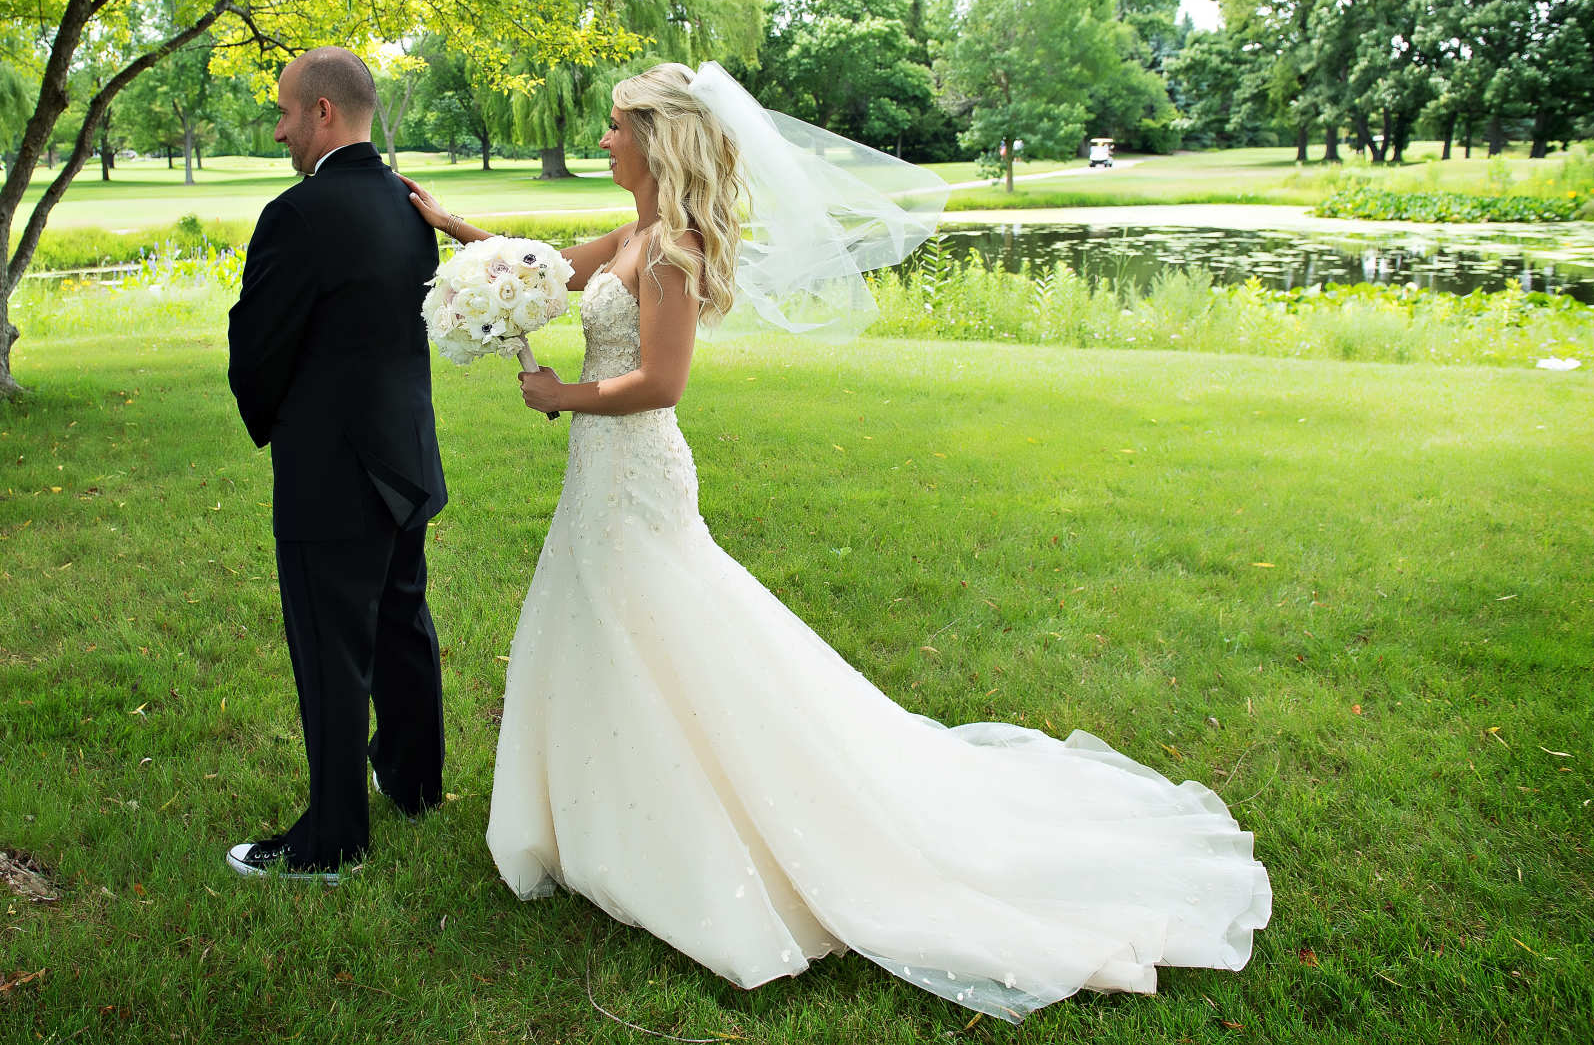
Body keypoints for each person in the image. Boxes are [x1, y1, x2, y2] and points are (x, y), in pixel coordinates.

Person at [404, 62, 1271, 1022]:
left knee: (663, 628)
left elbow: (661, 382)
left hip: (634, 464)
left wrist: (561, 395)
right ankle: (601, 826)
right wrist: (463, 242)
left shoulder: (672, 250)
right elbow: (548, 271)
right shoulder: (634, 233)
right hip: (600, 475)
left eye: (615, 127)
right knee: (608, 629)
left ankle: (689, 840)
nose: (602, 140)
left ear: (656, 141)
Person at [225, 47, 448, 883]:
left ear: (323, 112)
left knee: (330, 647)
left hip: (332, 470)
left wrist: (270, 414)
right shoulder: (409, 205)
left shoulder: (298, 215)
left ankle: (333, 840)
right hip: (404, 454)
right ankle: (417, 783)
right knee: (401, 621)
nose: (279, 130)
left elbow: (260, 342)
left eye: (285, 112)